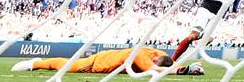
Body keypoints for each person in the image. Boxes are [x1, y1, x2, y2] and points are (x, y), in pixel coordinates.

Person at [10, 47, 203, 75]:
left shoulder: (157, 53)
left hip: (108, 58)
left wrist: (188, 68)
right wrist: (182, 71)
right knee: (65, 66)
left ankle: (37, 62)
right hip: (98, 63)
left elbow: (169, 65)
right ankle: (34, 63)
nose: (155, 61)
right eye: (157, 61)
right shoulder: (145, 57)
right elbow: (153, 69)